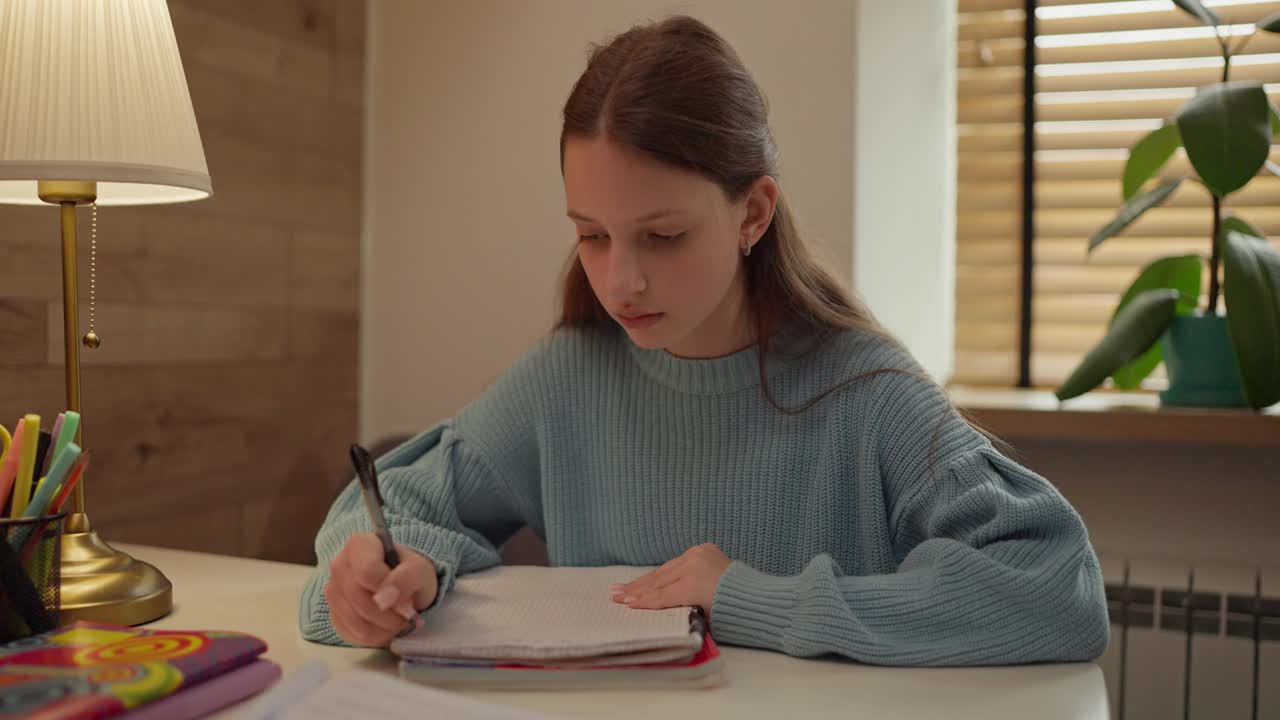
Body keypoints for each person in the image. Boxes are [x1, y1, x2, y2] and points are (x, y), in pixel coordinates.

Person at [299, 14, 1109, 666]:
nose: (620, 282)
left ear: (753, 214)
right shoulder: (568, 379)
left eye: (662, 236)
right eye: (591, 235)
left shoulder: (864, 392)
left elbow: (1057, 589)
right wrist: (388, 576)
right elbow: (390, 505)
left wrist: (752, 598)